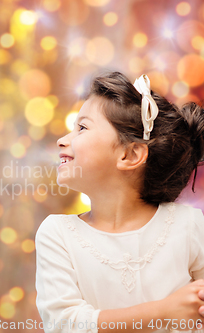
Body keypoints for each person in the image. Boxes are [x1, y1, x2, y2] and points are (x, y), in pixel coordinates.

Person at [35, 71, 204, 333]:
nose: (62, 140)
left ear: (130, 154)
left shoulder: (189, 226)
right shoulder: (57, 234)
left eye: (82, 128)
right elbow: (63, 324)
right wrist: (166, 311)